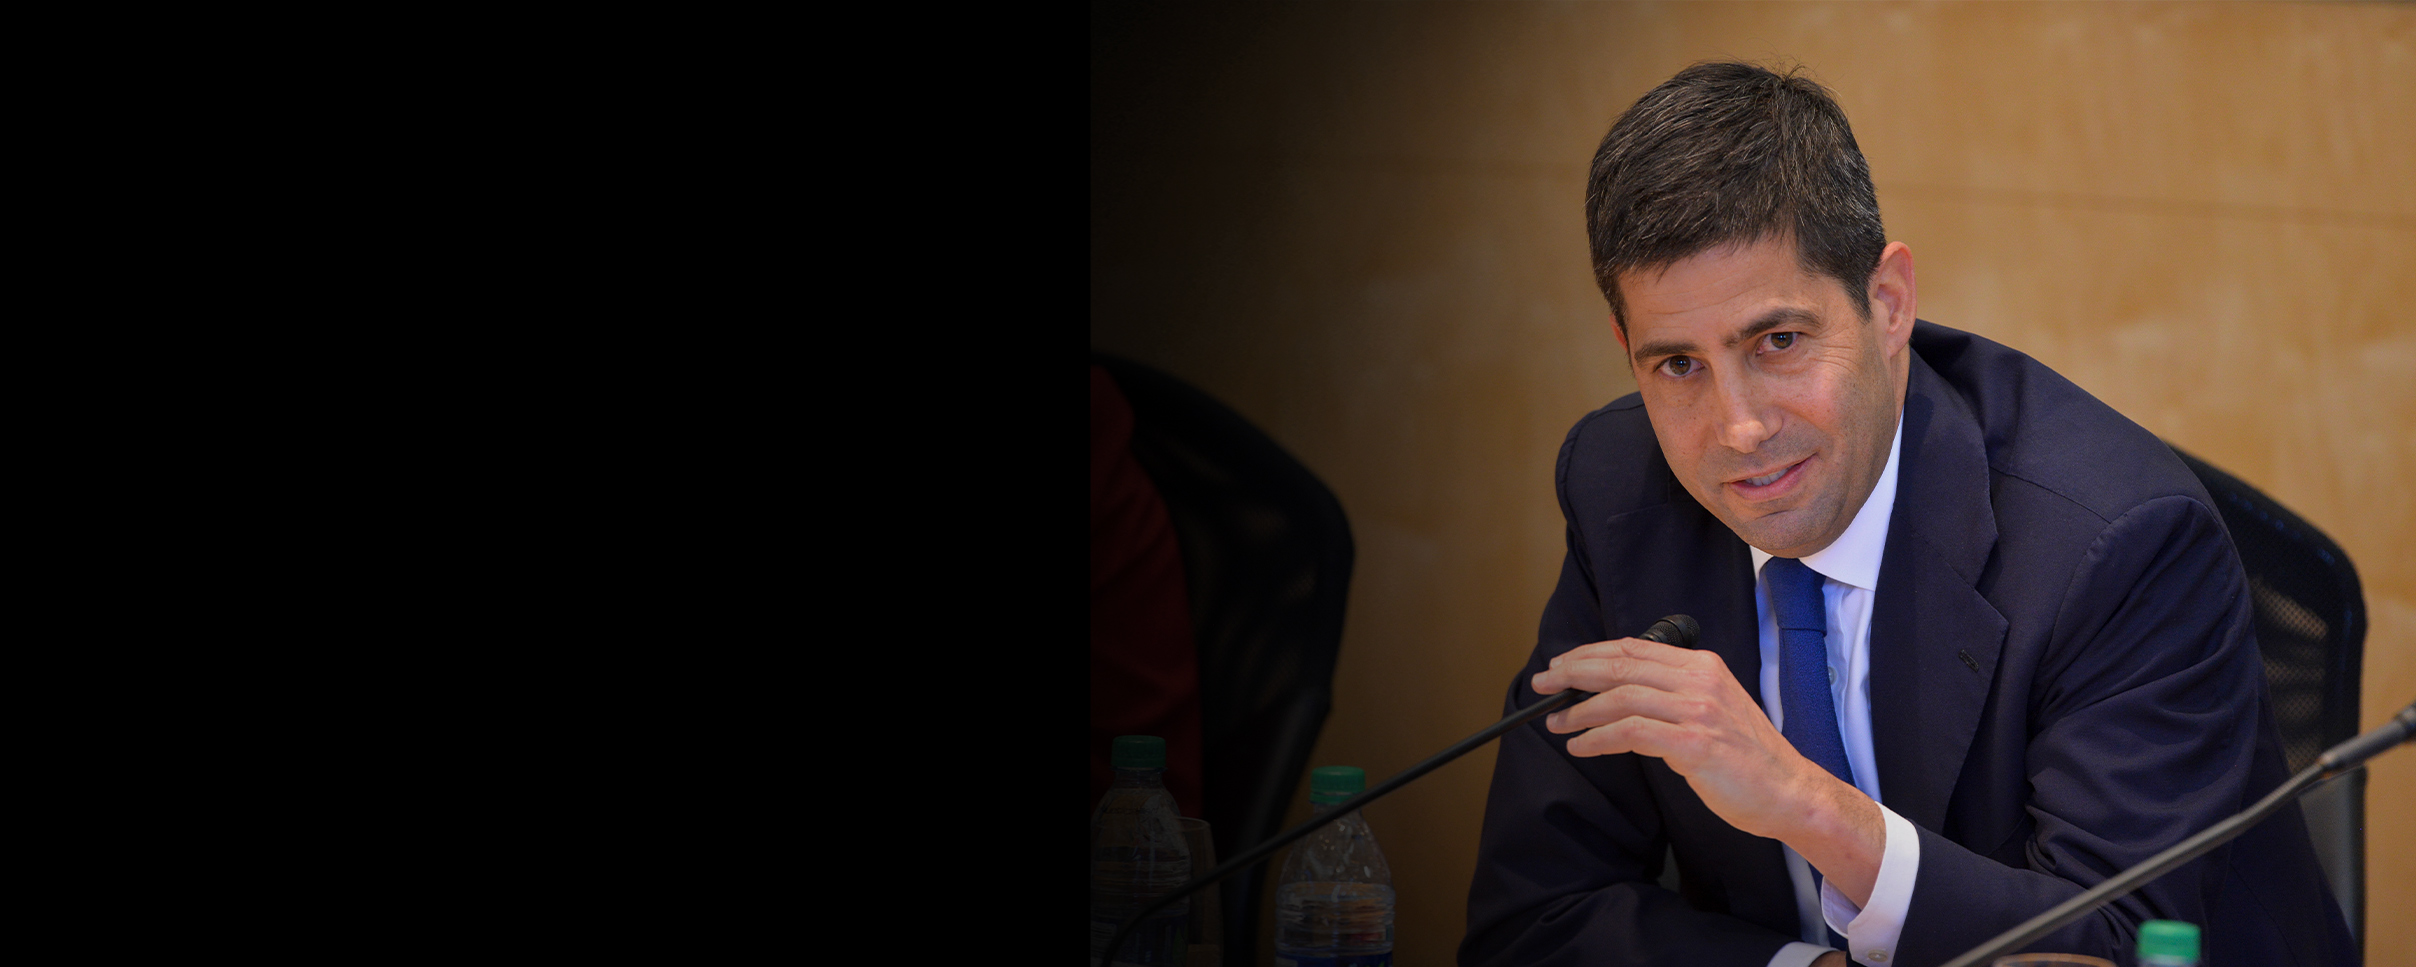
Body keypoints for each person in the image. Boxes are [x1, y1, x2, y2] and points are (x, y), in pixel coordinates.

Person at [1459, 62, 2354, 967]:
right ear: (1627, 350)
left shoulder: (2115, 542)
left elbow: (2117, 944)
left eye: (1778, 341)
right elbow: (1536, 916)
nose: (1738, 428)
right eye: (1678, 365)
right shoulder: (1621, 489)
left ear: (1887, 303)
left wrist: (1804, 803)